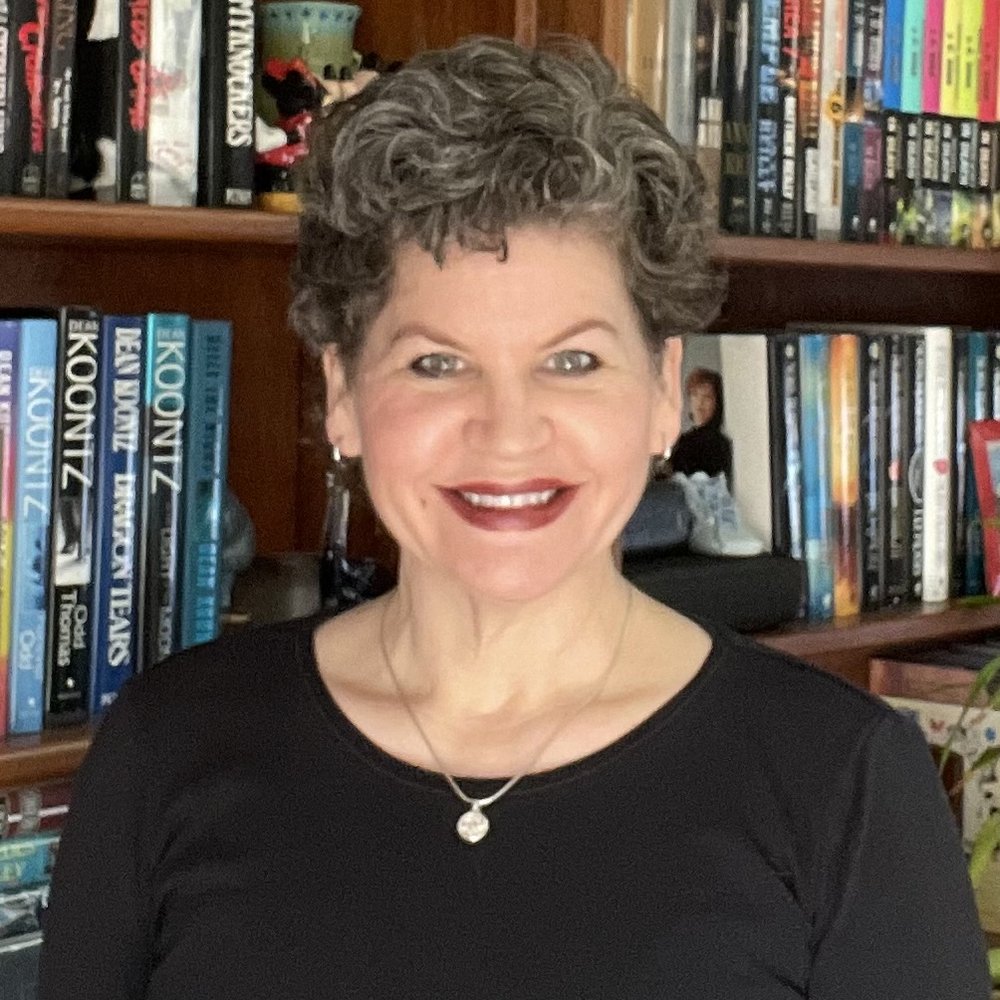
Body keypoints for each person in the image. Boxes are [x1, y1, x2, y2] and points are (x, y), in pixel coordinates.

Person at [39, 36, 988, 1000]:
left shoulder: (842, 780)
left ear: (665, 391)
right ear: (344, 394)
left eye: (573, 361)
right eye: (436, 363)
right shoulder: (166, 747)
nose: (508, 431)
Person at [669, 366, 733, 484]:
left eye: (707, 397)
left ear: (717, 403)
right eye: (695, 395)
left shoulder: (720, 444)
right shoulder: (682, 441)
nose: (700, 402)